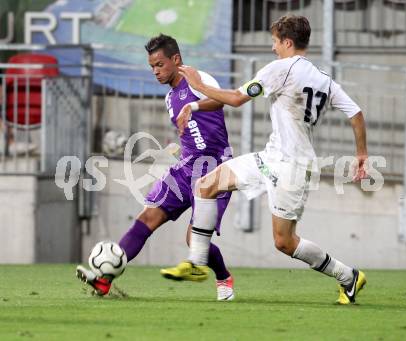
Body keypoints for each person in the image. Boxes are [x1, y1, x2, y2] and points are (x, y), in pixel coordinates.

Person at [160, 15, 368, 305]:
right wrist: (361, 155)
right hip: (271, 156)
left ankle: (348, 276)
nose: (273, 48)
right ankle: (196, 262)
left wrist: (198, 85)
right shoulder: (323, 79)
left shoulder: (280, 69)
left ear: (287, 42)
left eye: (274, 41)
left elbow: (235, 98)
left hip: (293, 167)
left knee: (284, 242)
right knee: (206, 185)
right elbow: (356, 113)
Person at [77, 34, 235, 301]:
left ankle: (223, 277)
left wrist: (193, 106)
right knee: (147, 217)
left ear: (175, 59)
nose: (155, 71)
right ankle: (104, 280)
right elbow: (192, 132)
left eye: (160, 64)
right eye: (152, 66)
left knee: (194, 241)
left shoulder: (199, 78)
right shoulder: (170, 97)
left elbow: (223, 100)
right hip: (186, 168)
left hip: (215, 168)